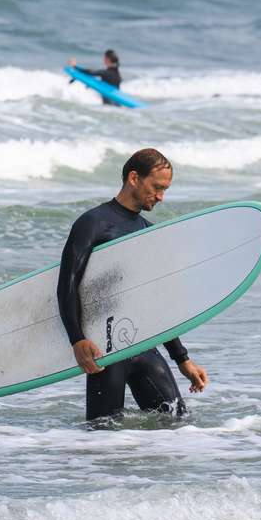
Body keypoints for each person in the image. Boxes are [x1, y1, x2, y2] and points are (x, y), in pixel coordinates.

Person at [56, 147, 208, 422]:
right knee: (102, 434)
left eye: (165, 190)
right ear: (134, 178)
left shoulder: (147, 231)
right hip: (106, 350)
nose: (161, 197)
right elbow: (67, 284)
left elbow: (153, 302)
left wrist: (182, 359)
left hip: (143, 346)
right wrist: (77, 339)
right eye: (157, 187)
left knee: (179, 423)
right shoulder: (93, 223)